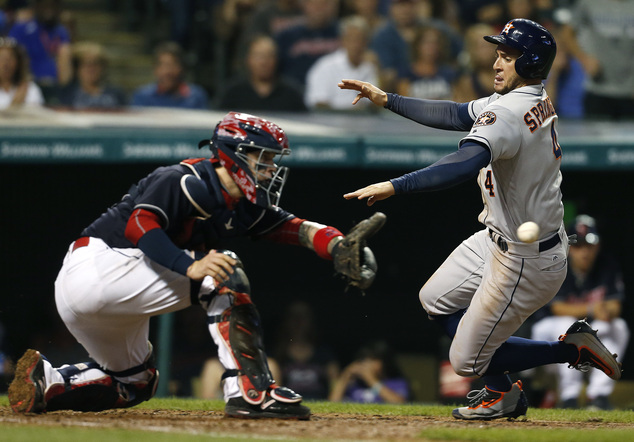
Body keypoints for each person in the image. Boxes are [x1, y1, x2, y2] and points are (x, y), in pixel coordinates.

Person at [8, 111, 380, 420]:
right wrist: (187, 266)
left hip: (105, 297)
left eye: (271, 161)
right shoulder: (183, 178)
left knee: (135, 384)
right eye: (261, 158)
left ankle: (51, 383)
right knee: (224, 271)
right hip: (100, 265)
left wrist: (335, 244)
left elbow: (290, 226)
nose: (268, 169)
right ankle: (250, 391)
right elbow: (141, 225)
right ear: (233, 154)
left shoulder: (241, 203)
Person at [338, 18, 622, 420]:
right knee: (434, 300)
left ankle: (569, 351)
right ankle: (505, 391)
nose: (496, 62)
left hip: (526, 258)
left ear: (531, 62)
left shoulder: (510, 111)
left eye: (508, 55)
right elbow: (455, 113)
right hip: (499, 238)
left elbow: (461, 164)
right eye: (498, 53)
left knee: (465, 363)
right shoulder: (525, 98)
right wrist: (387, 99)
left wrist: (395, 185)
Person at [531, 215, 630, 410]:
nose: (584, 251)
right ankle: (568, 395)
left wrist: (605, 311)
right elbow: (558, 308)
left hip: (586, 334)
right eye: (578, 246)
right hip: (547, 335)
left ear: (598, 246)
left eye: (589, 245)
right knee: (566, 324)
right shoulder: (556, 266)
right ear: (567, 247)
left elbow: (615, 307)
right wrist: (594, 308)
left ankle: (598, 396)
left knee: (617, 326)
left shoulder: (606, 266)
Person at [559, 0, 634, 120]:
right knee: (596, 138)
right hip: (598, 88)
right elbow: (566, 33)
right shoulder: (589, 3)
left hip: (630, 91)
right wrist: (584, 59)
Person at [304, 15, 378, 110]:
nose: (356, 44)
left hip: (363, 121)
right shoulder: (326, 66)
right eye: (351, 39)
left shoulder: (370, 67)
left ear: (366, 42)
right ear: (343, 40)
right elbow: (319, 103)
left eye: (360, 39)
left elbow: (375, 105)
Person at [216, 35, 306, 112]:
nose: (263, 62)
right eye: (259, 56)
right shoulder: (232, 93)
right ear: (248, 59)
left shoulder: (292, 94)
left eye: (269, 56)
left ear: (276, 60)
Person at [272, 300, 339, 400]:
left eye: (303, 316)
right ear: (286, 320)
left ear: (310, 320)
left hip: (321, 403)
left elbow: (335, 384)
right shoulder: (276, 355)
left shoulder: (324, 354)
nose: (298, 321)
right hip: (289, 403)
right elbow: (274, 389)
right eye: (294, 316)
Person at [8, 0, 72, 98]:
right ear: (36, 6)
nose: (49, 9)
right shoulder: (22, 28)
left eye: (53, 5)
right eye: (45, 5)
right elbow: (10, 54)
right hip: (28, 83)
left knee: (65, 51)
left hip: (56, 85)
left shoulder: (61, 31)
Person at [274, 0, 341, 86]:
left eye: (324, 4)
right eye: (314, 4)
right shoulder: (287, 36)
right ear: (304, 5)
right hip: (296, 91)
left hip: (335, 91)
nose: (319, 9)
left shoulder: (343, 34)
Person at [131, 41, 208, 110]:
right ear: (155, 69)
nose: (167, 72)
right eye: (163, 66)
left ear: (181, 68)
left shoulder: (196, 96)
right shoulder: (142, 96)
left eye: (172, 65)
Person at [329, 340, 409, 404]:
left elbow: (400, 403)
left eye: (373, 360)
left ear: (385, 362)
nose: (368, 364)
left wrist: (371, 380)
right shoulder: (355, 384)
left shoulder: (396, 382)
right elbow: (332, 405)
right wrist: (345, 376)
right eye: (365, 360)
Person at [57, 41, 126, 110]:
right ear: (78, 68)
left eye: (95, 64)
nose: (91, 69)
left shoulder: (116, 94)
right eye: (86, 64)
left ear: (102, 67)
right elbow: (64, 52)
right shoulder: (69, 92)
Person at [395, 25, 456, 101]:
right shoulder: (405, 73)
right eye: (426, 43)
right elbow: (404, 103)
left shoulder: (449, 73)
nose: (431, 47)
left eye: (435, 43)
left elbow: (455, 101)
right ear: (417, 45)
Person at [0, 36, 44, 109]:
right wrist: (15, 104)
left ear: (18, 63)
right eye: (2, 58)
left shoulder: (31, 89)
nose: (6, 64)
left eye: (10, 59)